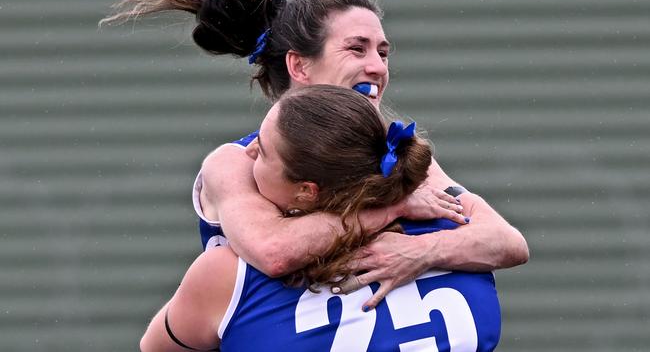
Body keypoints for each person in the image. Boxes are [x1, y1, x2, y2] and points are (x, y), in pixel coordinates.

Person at [102, 0, 528, 311]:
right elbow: (273, 251)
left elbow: (506, 242)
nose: (378, 67)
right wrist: (393, 208)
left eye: (382, 52)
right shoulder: (237, 162)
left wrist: (419, 251)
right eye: (356, 49)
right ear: (299, 65)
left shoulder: (393, 151)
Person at [139, 84, 502, 351]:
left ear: (307, 191)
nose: (248, 153)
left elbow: (155, 348)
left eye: (262, 151)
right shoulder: (461, 236)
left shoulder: (228, 275)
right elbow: (511, 245)